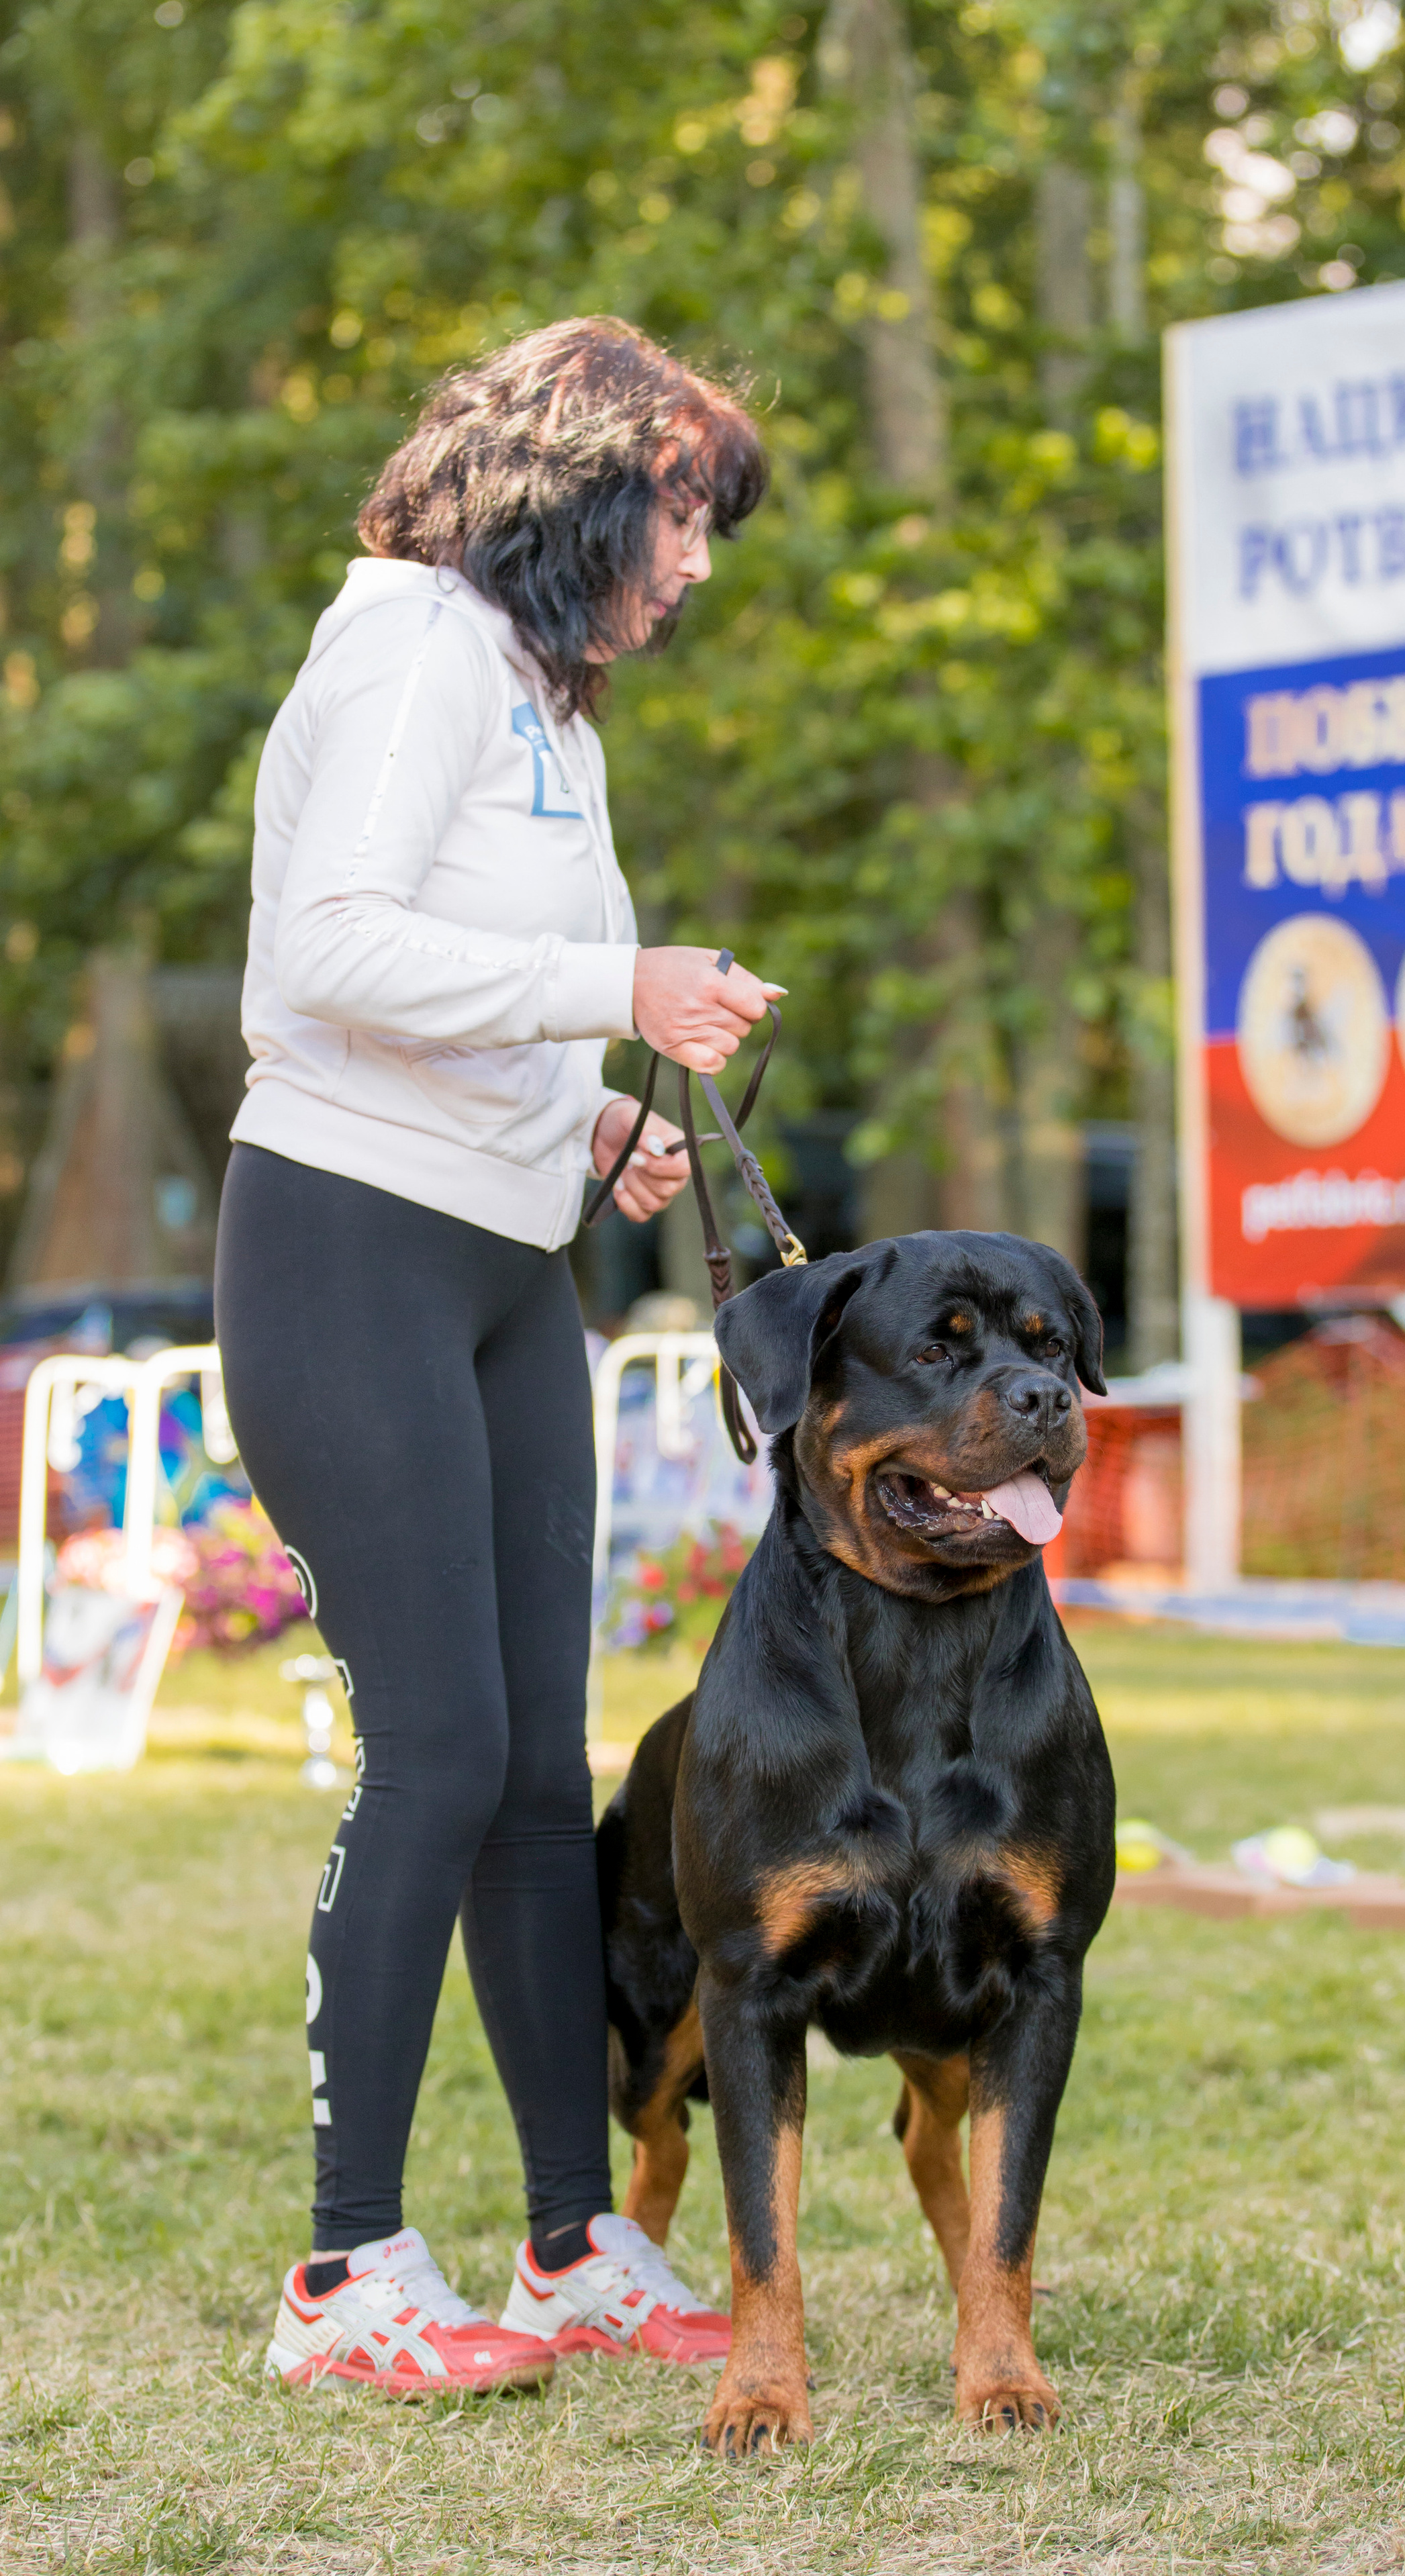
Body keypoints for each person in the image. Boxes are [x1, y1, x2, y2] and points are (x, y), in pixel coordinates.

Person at [217, 317, 779, 2397]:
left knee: (548, 1774)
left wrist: (594, 1112)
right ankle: (345, 2276)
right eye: (682, 510)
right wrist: (606, 982)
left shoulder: (551, 691)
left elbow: (481, 1005)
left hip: (497, 1257)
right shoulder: (409, 645)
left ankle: (570, 2243)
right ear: (571, 478)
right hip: (344, 1251)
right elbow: (326, 952)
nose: (697, 560)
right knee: (440, 1756)